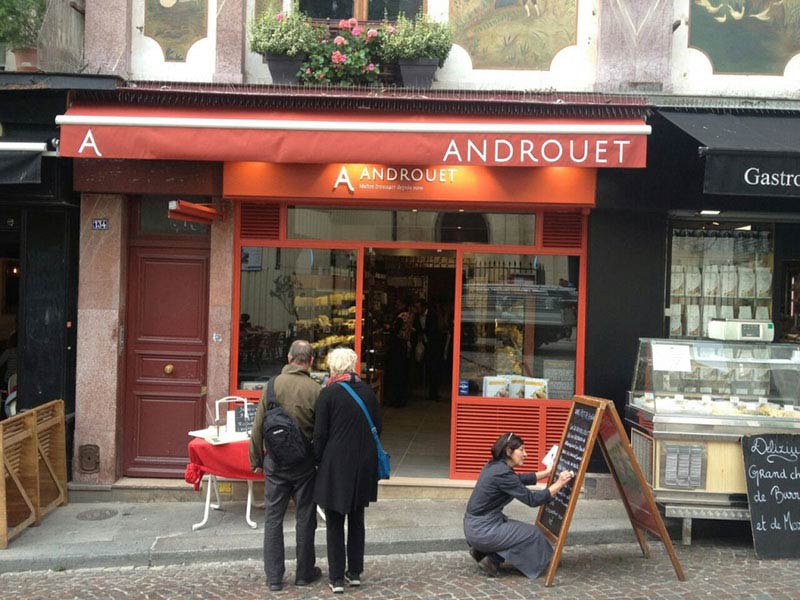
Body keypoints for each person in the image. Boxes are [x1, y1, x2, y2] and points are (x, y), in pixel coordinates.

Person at [249, 339, 322, 592]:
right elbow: (322, 433)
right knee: (305, 517)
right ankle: (304, 573)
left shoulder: (272, 385)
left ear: (289, 358)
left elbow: (258, 426)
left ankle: (274, 578)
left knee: (273, 519)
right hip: (304, 465)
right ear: (311, 361)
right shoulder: (315, 390)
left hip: (275, 463)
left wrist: (256, 459)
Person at [313, 347, 383, 593]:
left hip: (336, 464)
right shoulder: (367, 392)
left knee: (334, 521)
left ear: (333, 367)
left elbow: (320, 433)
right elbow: (379, 427)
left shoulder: (328, 393)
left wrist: (317, 460)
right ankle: (354, 572)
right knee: (357, 519)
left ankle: (336, 578)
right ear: (353, 366)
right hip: (363, 463)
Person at [463, 432, 574, 579]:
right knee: (531, 533)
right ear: (509, 451)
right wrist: (559, 483)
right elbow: (532, 499)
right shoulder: (502, 473)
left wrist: (547, 473)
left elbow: (519, 479)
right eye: (521, 450)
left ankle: (490, 558)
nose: (525, 454)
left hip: (475, 526)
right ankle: (546, 561)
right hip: (482, 530)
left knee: (514, 529)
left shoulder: (495, 466)